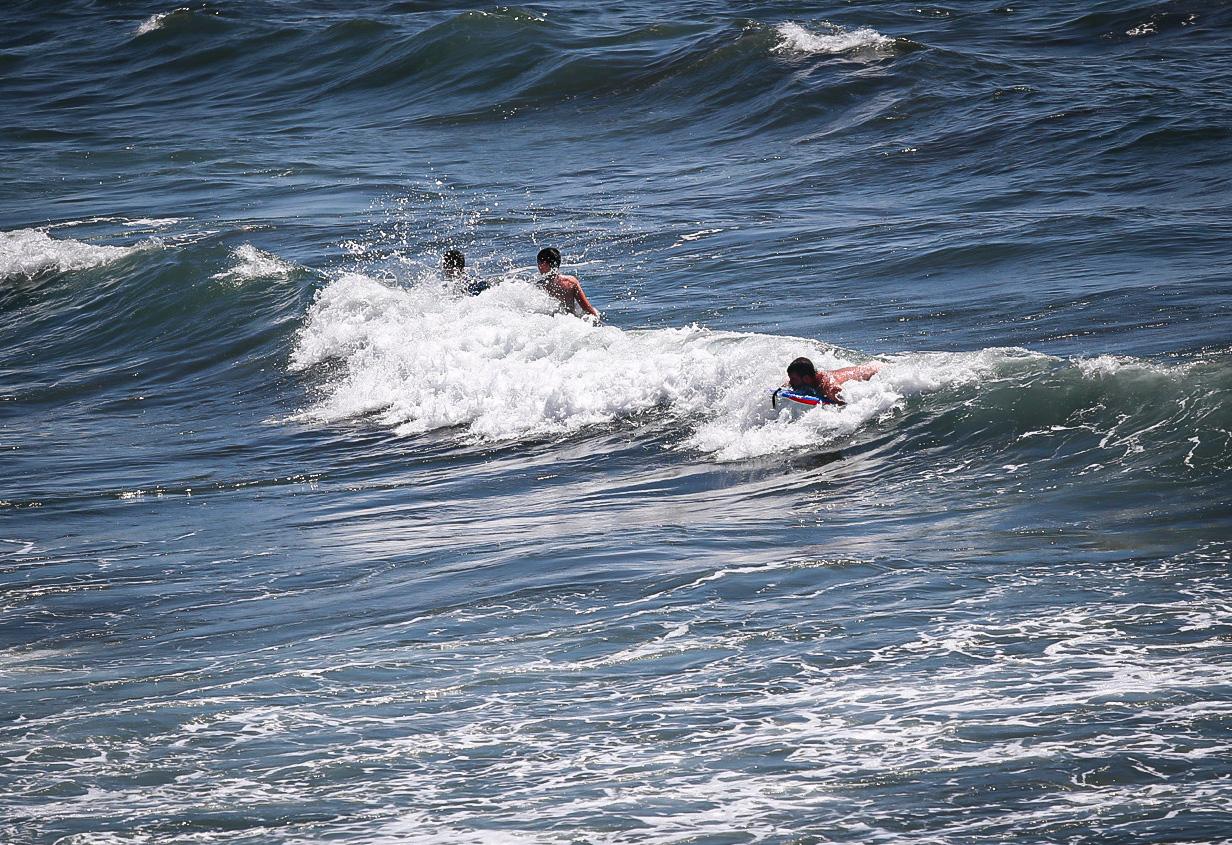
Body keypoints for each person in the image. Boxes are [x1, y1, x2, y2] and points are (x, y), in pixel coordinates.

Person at [535, 247, 600, 320]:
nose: (538, 267)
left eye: (538, 263)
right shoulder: (571, 282)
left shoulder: (540, 286)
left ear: (544, 264)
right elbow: (588, 309)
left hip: (553, 324)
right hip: (571, 321)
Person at [785, 356, 881, 406]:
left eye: (793, 379)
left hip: (876, 370)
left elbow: (843, 398)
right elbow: (789, 384)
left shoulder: (827, 384)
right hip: (867, 367)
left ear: (806, 378)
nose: (791, 382)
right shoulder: (810, 378)